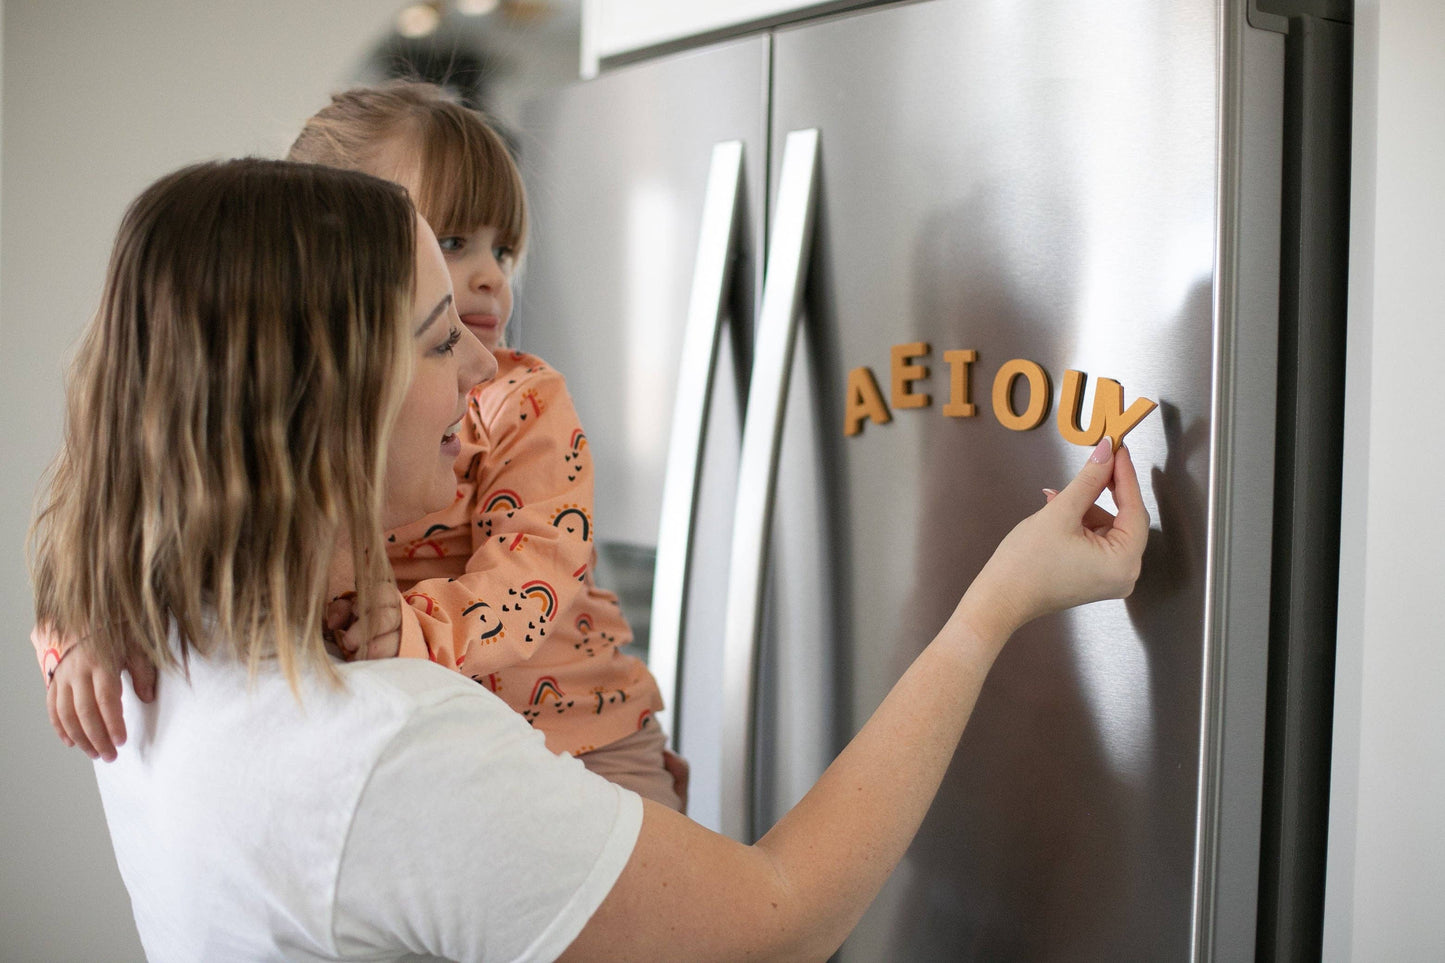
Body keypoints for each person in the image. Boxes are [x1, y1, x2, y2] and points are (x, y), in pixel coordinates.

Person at [30, 157, 1148, 960]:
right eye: (437, 339)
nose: (485, 369)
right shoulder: (383, 750)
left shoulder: (143, 654)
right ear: (325, 407)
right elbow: (781, 921)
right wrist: (990, 610)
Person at [36, 81, 683, 809]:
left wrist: (416, 628)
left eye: (504, 250)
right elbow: (128, 517)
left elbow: (536, 566)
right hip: (451, 755)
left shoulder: (523, 400)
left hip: (587, 738)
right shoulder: (283, 430)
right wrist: (83, 632)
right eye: (451, 242)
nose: (490, 277)